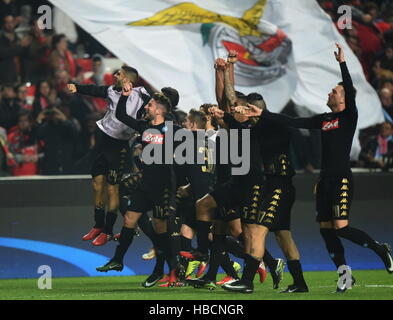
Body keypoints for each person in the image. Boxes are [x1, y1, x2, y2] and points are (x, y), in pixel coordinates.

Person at [239, 43, 393, 293]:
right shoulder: (324, 120)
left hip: (342, 178)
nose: (330, 93)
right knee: (326, 231)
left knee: (341, 227)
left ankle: (379, 248)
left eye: (335, 91)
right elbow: (292, 120)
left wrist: (342, 63)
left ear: (344, 99)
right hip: (324, 182)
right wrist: (263, 113)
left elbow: (349, 91)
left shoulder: (348, 116)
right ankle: (345, 275)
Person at [96, 84, 183, 287]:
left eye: (150, 105)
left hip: (164, 187)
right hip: (145, 183)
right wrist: (125, 97)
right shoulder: (144, 127)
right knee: (129, 219)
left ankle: (161, 270)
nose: (147, 107)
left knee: (160, 231)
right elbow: (121, 115)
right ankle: (118, 260)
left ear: (159, 109)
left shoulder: (173, 130)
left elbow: (191, 145)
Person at [67, 65, 150, 246]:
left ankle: (107, 231)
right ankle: (98, 224)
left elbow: (157, 105)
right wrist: (77, 87)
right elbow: (95, 90)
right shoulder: (112, 90)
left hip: (120, 146)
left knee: (113, 189)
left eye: (118, 74)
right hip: (103, 140)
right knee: (97, 184)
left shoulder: (142, 94)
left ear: (127, 79)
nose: (114, 75)